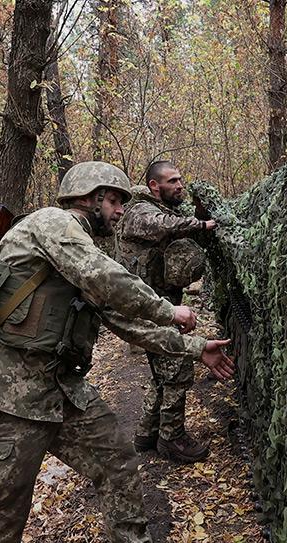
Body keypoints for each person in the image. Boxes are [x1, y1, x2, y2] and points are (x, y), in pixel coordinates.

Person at [0, 161, 235, 543]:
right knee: (2, 514)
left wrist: (194, 347)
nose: (121, 211)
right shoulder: (53, 226)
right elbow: (106, 280)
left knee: (117, 461)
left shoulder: (80, 246)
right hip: (5, 397)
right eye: (115, 200)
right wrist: (170, 309)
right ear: (90, 196)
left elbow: (122, 319)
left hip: (58, 388)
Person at [115, 160, 216, 463]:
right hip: (149, 306)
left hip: (160, 303)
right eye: (172, 181)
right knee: (176, 365)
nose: (180, 185)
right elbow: (161, 225)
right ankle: (172, 438)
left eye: (180, 180)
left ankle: (147, 432)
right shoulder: (138, 213)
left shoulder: (162, 209)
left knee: (162, 371)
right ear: (154, 186)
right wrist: (200, 225)